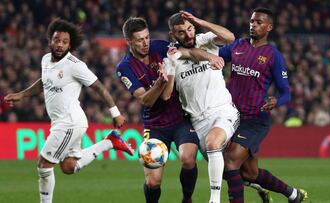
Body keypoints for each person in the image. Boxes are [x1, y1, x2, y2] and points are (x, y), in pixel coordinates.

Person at [4, 19, 134, 203]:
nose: (59, 45)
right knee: (68, 167)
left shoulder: (75, 65)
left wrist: (115, 112)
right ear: (50, 41)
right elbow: (44, 81)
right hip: (62, 122)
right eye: (57, 40)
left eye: (64, 42)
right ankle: (110, 142)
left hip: (69, 122)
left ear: (69, 44)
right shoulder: (45, 60)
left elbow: (99, 88)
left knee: (44, 166)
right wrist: (22, 95)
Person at [116, 17, 224, 203]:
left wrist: (210, 56)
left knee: (188, 159)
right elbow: (145, 99)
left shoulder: (159, 47)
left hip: (180, 118)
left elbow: (188, 53)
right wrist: (160, 83)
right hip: (155, 125)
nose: (145, 42)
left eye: (147, 37)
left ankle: (187, 199)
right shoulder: (125, 67)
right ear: (129, 42)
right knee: (153, 182)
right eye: (140, 39)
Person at [219, 8, 308, 203]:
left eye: (259, 22)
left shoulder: (273, 56)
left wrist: (277, 101)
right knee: (250, 174)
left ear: (269, 27)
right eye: (252, 21)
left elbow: (286, 92)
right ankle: (293, 194)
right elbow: (213, 56)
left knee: (231, 162)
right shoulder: (237, 46)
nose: (253, 25)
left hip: (254, 119)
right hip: (230, 116)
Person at [163, 11, 238, 203]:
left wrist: (200, 21)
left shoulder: (206, 39)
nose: (188, 35)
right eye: (181, 32)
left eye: (190, 29)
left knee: (214, 143)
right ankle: (284, 191)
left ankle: (214, 200)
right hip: (198, 122)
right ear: (173, 36)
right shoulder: (171, 57)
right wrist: (170, 69)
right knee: (233, 173)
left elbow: (230, 37)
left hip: (223, 110)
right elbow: (188, 54)